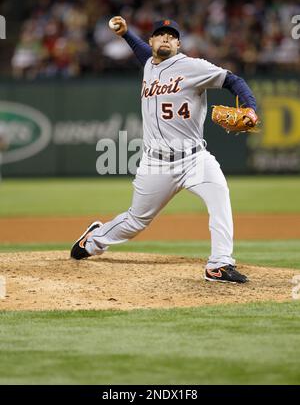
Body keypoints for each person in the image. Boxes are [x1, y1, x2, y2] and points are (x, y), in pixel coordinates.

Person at [71, 17, 258, 283]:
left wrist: (250, 108)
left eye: (171, 35)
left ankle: (219, 264)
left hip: (195, 158)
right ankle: (95, 239)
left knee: (220, 200)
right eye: (160, 35)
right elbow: (142, 53)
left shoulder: (193, 66)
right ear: (152, 42)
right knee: (136, 222)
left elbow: (234, 81)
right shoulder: (149, 63)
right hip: (155, 163)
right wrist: (125, 34)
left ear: (179, 43)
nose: (166, 38)